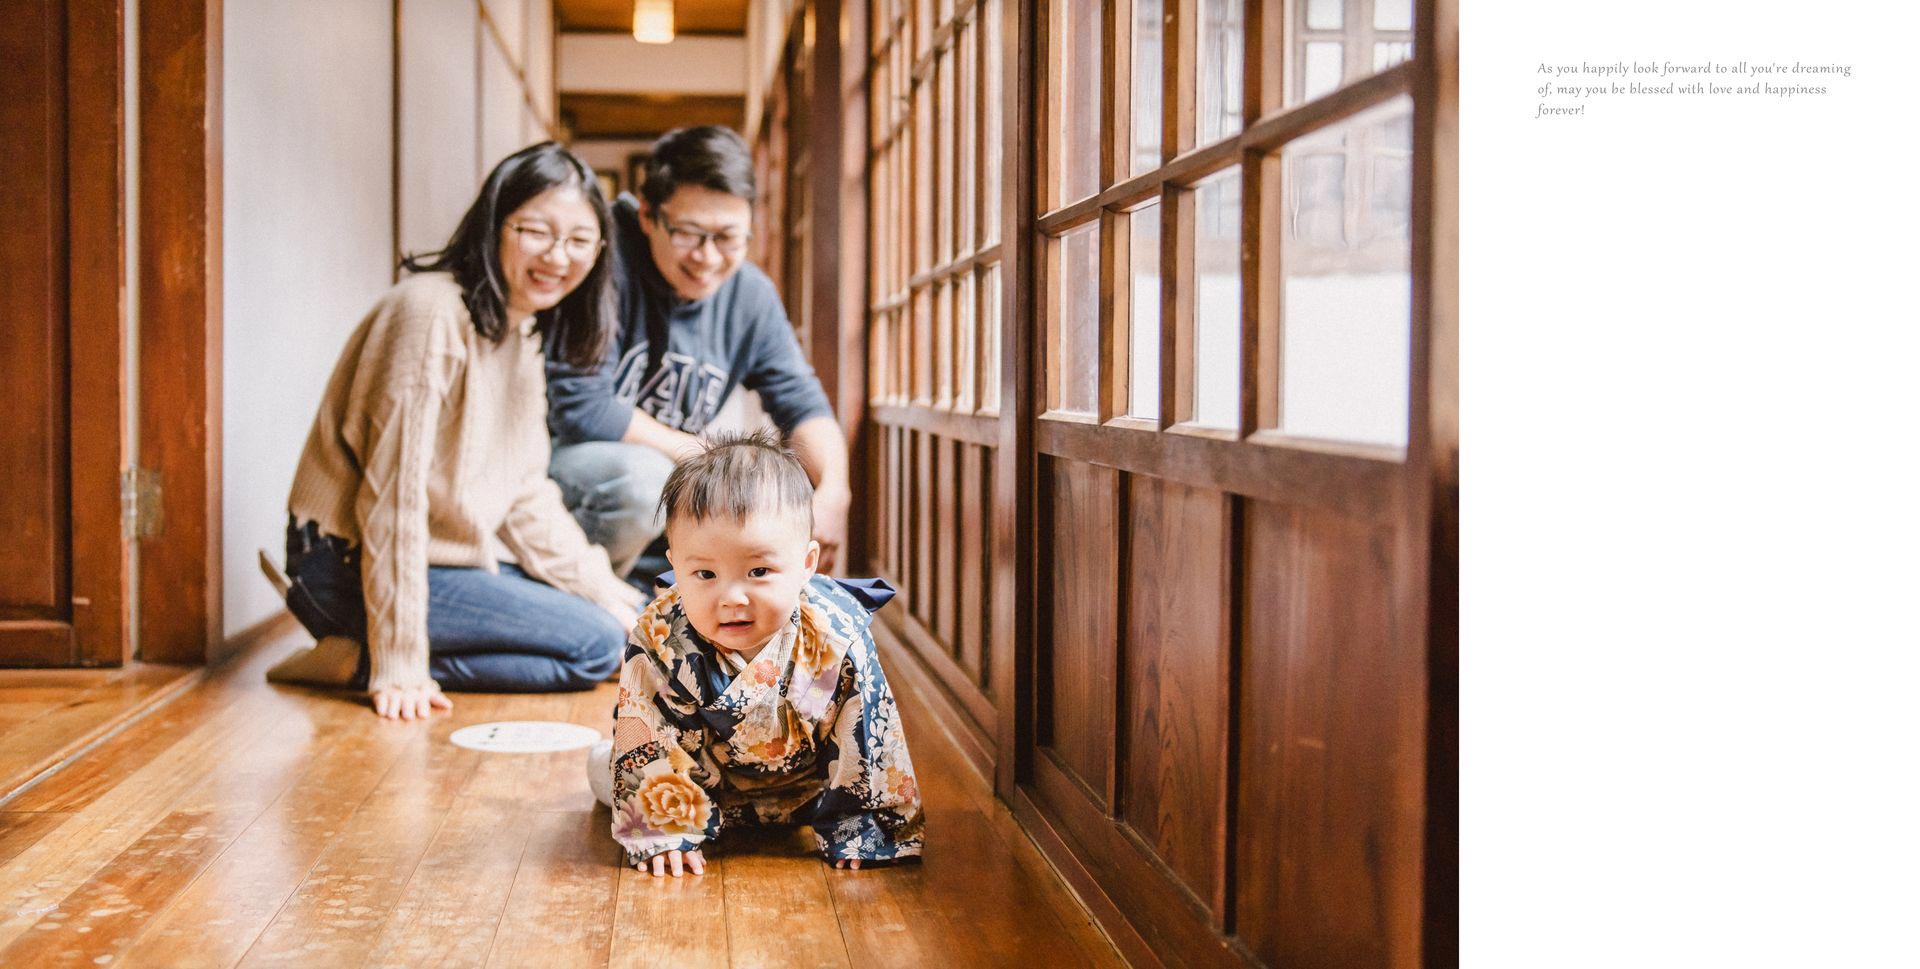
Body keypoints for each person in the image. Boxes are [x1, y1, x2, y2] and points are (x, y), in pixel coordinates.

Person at [278, 141, 642, 720]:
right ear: (495, 224)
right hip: (342, 564)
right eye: (537, 231)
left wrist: (608, 593)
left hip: (440, 559)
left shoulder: (520, 335)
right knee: (594, 645)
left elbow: (525, 495)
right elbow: (391, 499)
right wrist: (400, 661)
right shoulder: (429, 313)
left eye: (580, 240)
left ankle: (358, 652)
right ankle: (357, 660)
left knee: (621, 629)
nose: (558, 256)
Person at [588, 431, 922, 876]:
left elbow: (868, 736)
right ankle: (615, 769)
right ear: (675, 566)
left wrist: (862, 828)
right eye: (704, 574)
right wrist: (663, 830)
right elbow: (646, 732)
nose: (732, 597)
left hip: (808, 795)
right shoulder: (661, 638)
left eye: (759, 570)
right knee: (610, 767)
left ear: (807, 565)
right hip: (700, 791)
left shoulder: (835, 636)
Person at [545, 125, 852, 580]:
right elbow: (582, 408)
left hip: (655, 487)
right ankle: (579, 599)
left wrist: (834, 494)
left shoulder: (750, 296)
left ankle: (656, 592)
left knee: (759, 498)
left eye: (728, 237)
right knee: (642, 480)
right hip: (569, 467)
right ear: (647, 215)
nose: (707, 257)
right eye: (688, 234)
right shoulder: (604, 266)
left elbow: (803, 404)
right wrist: (703, 456)